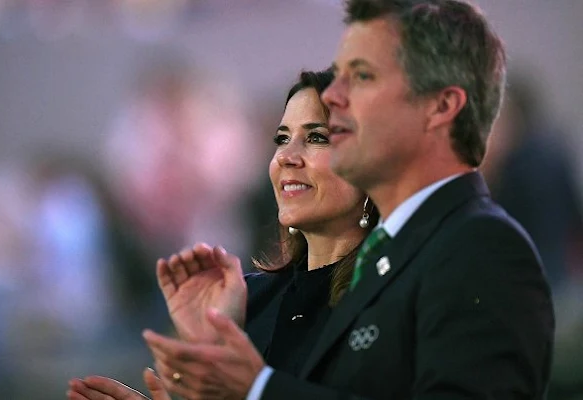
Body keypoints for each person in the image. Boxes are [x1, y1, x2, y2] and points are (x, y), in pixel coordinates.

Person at [139, 1, 555, 399]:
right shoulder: (385, 257)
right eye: (281, 138)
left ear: (440, 106)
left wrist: (258, 390)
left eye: (362, 76)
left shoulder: (482, 247)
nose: (337, 98)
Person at [67, 69, 379, 400]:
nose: (286, 157)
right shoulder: (250, 301)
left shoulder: (403, 291)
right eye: (282, 138)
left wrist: (256, 388)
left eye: (317, 137)